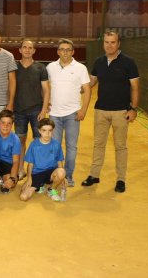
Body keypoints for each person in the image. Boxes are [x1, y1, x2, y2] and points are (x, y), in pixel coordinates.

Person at [82, 30, 140, 193]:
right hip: (101, 110)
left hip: (121, 112)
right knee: (98, 144)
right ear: (103, 44)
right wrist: (75, 88)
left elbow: (135, 87)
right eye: (106, 42)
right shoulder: (99, 61)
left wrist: (133, 108)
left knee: (120, 146)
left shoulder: (129, 62)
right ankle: (94, 175)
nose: (109, 45)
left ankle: (121, 179)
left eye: (112, 42)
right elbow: (91, 81)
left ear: (118, 43)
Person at [46, 39, 91, 187]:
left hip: (73, 114)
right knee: (55, 146)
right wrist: (45, 103)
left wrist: (83, 110)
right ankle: (57, 176)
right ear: (58, 51)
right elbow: (45, 87)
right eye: (62, 49)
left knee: (71, 146)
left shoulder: (80, 68)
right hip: (54, 115)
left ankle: (69, 176)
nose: (65, 52)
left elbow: (88, 89)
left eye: (68, 49)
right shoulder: (50, 67)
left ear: (72, 52)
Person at [14, 40, 50, 180]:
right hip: (18, 111)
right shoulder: (14, 67)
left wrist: (43, 110)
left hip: (36, 111)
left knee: (38, 141)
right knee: (20, 141)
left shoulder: (40, 68)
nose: (27, 50)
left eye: (30, 48)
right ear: (20, 50)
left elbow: (46, 90)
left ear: (34, 50)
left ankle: (36, 170)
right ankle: (21, 169)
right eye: (25, 47)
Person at [20, 118, 66, 202]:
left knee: (61, 172)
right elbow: (30, 165)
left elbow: (59, 161)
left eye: (50, 130)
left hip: (50, 172)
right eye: (44, 130)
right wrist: (29, 179)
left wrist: (62, 178)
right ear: (39, 131)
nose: (47, 134)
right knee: (23, 197)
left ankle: (51, 189)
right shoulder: (34, 145)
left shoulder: (56, 144)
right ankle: (40, 186)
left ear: (53, 131)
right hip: (37, 173)